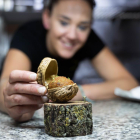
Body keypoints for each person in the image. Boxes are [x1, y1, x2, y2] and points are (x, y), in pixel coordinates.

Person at [0, 0, 138, 122]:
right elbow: (5, 82)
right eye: (64, 22)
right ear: (47, 18)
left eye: (82, 26)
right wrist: (12, 102)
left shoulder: (88, 39)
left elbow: (129, 83)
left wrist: (75, 92)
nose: (72, 35)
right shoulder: (27, 35)